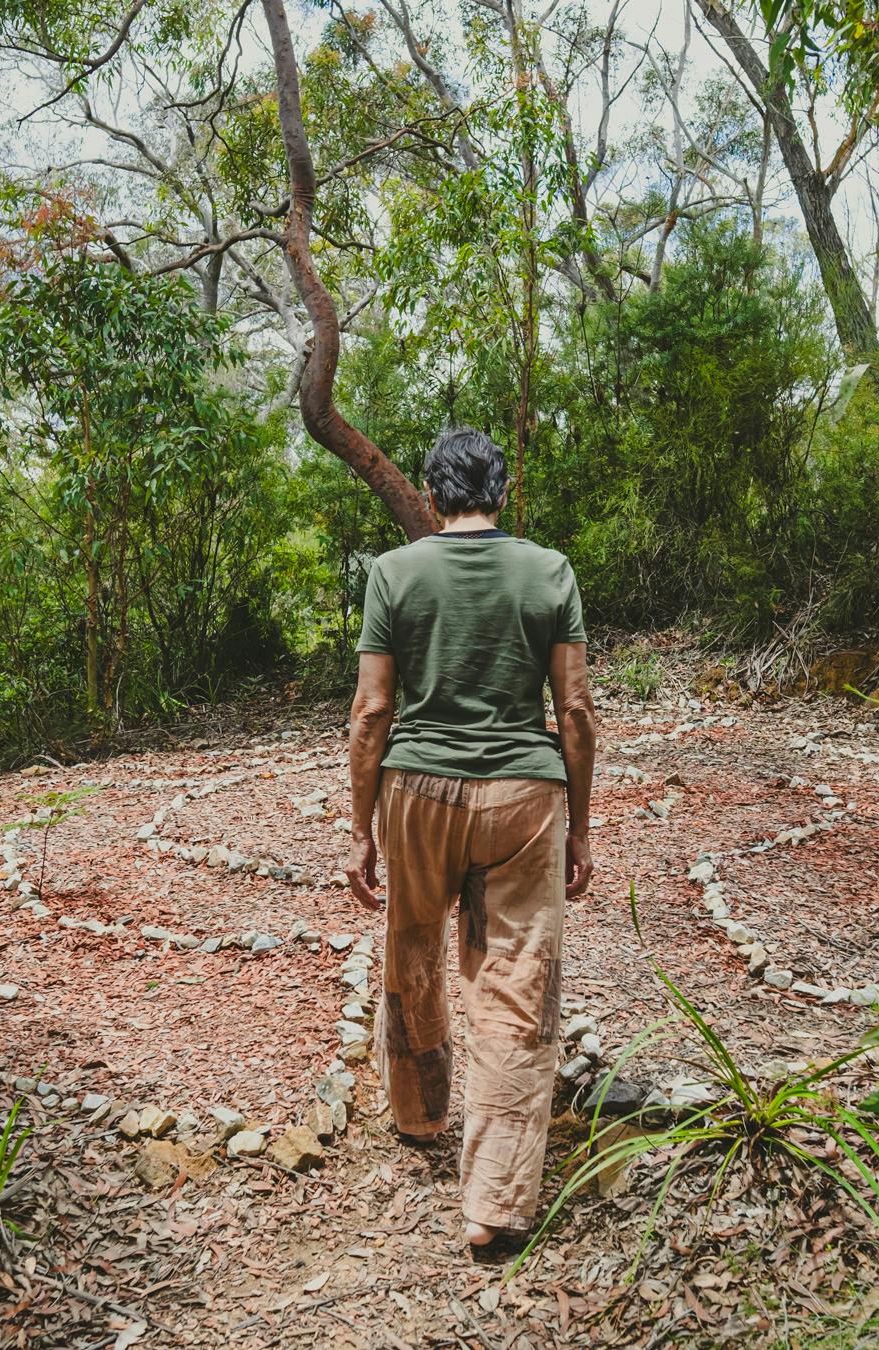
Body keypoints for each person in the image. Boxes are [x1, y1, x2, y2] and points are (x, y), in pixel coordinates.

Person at [344, 426, 598, 1252]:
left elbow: (372, 712)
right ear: (503, 488)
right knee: (514, 984)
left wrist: (361, 829)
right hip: (525, 801)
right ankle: (492, 1204)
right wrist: (580, 825)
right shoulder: (547, 570)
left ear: (433, 491)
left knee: (412, 947)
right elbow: (574, 713)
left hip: (415, 792)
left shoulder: (394, 572)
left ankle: (419, 1114)